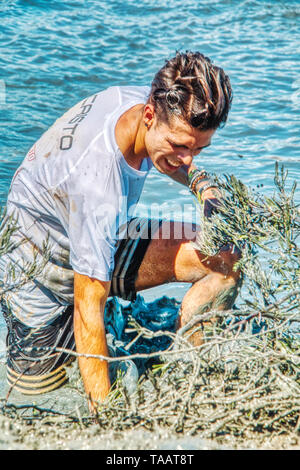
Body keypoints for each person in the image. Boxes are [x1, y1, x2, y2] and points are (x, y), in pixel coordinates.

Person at [0, 51, 240, 410]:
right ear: (149, 116)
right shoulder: (98, 184)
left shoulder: (144, 102)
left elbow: (169, 155)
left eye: (199, 149)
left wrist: (201, 184)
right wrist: (106, 421)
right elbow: (86, 302)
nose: (188, 159)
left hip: (93, 235)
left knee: (225, 262)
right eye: (180, 146)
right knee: (42, 391)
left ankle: (190, 378)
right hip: (36, 278)